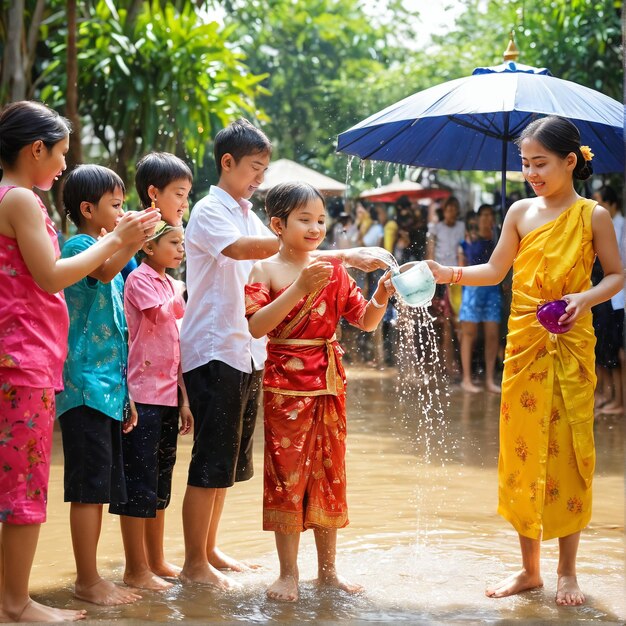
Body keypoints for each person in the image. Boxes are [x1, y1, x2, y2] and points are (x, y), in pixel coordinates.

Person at [178, 118, 387, 590]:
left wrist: (370, 285)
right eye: (255, 167)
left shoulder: (248, 212)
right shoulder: (214, 213)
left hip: (269, 363)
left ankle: (216, 553)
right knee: (238, 464)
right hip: (221, 348)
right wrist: (336, 253)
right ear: (227, 163)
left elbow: (364, 318)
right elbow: (253, 253)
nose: (260, 177)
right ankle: (200, 563)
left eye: (320, 220)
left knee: (244, 464)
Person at [425, 115, 623, 606]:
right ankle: (529, 570)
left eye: (541, 164)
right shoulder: (518, 212)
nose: (531, 173)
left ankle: (568, 572)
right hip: (524, 344)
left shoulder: (593, 216)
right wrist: (444, 272)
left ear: (570, 162)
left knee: (570, 453)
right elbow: (494, 272)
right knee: (521, 451)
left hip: (571, 344)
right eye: (525, 164)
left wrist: (584, 299)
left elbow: (616, 277)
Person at [0, 100, 158, 623]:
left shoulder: (18, 199)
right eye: (61, 154)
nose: (63, 166)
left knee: (20, 482)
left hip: (31, 360)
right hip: (25, 361)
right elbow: (51, 277)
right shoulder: (20, 197)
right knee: (25, 487)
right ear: (36, 149)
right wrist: (117, 238)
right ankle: (17, 604)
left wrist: (121, 240)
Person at [245, 182, 393, 602]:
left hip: (329, 385)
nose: (315, 228)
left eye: (321, 220)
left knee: (330, 475)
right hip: (284, 388)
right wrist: (299, 288)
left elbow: (364, 320)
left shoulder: (334, 269)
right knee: (286, 476)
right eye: (304, 220)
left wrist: (381, 295)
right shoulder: (265, 270)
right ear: (277, 224)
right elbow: (257, 327)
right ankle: (288, 573)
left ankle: (328, 572)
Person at [56, 164, 159, 606]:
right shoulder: (81, 245)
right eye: (116, 206)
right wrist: (130, 237)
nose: (122, 212)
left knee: (98, 487)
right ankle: (87, 580)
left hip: (107, 390)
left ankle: (92, 575)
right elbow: (102, 270)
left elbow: (118, 325)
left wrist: (126, 395)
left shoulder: (107, 253)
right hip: (82, 387)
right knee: (88, 489)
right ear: (87, 209)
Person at [109, 220, 193, 591]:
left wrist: (185, 400)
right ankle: (135, 569)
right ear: (148, 248)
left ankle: (155, 561)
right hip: (140, 395)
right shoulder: (140, 279)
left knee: (159, 482)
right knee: (138, 484)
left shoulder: (171, 284)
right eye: (174, 243)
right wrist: (186, 290)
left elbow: (178, 347)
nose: (181, 249)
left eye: (182, 243)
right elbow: (162, 314)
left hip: (168, 396)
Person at [458, 204, 502, 393]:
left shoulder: (500, 238)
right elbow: (461, 266)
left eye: (490, 214)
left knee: (492, 334)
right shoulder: (468, 239)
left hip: (493, 289)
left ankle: (490, 379)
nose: (487, 218)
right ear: (477, 218)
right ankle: (466, 379)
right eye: (483, 215)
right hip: (472, 289)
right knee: (469, 334)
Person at [590, 185, 623, 415]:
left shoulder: (621, 225)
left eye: (600, 202)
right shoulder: (605, 224)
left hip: (618, 298)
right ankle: (605, 394)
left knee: (616, 352)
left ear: (612, 204)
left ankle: (618, 400)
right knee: (602, 348)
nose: (597, 207)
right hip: (603, 295)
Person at [426, 195, 465, 378]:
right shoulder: (436, 228)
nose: (451, 212)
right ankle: (443, 364)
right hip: (439, 279)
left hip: (457, 278)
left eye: (454, 209)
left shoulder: (461, 227)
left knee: (455, 323)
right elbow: (431, 253)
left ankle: (452, 364)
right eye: (449, 209)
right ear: (445, 211)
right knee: (442, 324)